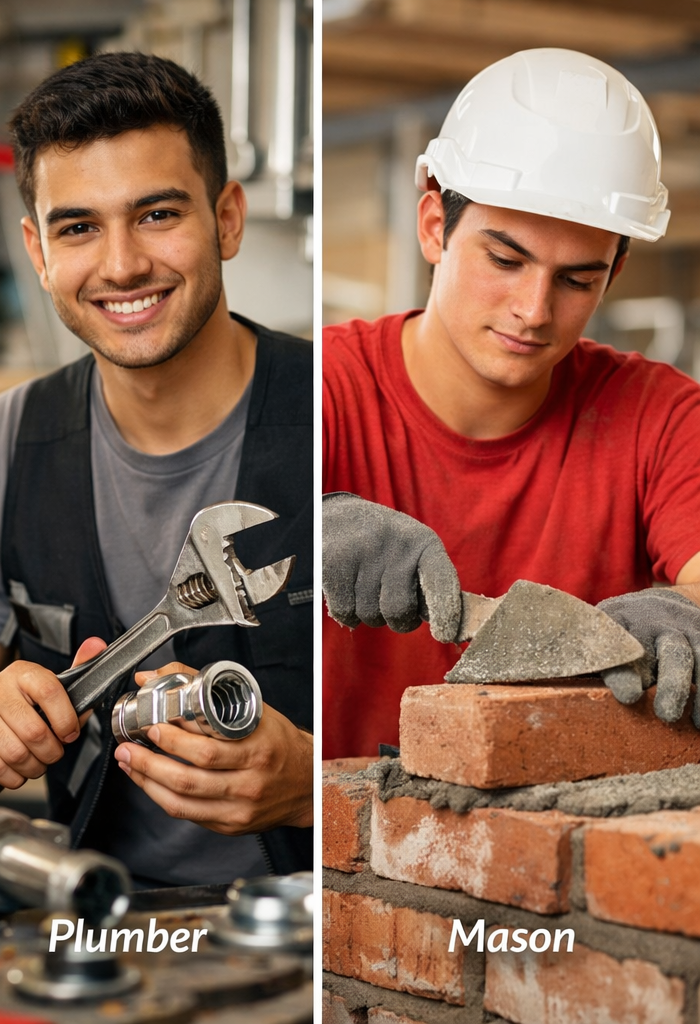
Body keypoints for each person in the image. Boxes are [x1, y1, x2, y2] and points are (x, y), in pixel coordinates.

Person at [0, 52, 313, 887]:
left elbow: (451, 747)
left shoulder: (348, 416)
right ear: (38, 252)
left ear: (228, 219)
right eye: (78, 228)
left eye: (157, 214)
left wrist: (315, 788)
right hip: (95, 920)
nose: (122, 265)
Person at [322, 48, 700, 760]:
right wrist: (301, 527)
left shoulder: (663, 416)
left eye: (577, 280)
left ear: (615, 273)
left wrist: (685, 612)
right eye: (505, 260)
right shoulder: (321, 387)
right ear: (433, 226)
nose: (534, 310)